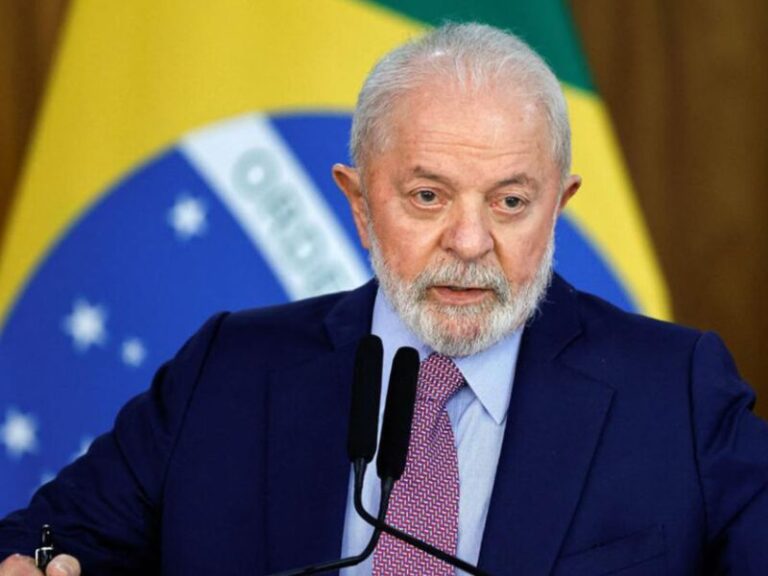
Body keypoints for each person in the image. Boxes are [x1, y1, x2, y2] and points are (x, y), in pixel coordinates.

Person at [1, 22, 767, 576]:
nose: (470, 241)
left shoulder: (678, 394)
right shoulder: (227, 370)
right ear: (360, 204)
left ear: (558, 207)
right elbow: (40, 538)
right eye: (428, 196)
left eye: (510, 202)